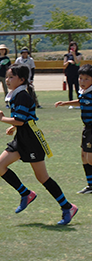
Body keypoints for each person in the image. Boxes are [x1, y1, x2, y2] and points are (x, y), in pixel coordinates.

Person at [0, 65, 78, 225]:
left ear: (22, 79)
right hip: (21, 138)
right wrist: (14, 126)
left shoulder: (22, 96)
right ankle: (26, 194)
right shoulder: (16, 95)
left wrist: (3, 119)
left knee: (42, 177)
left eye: (11, 77)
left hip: (32, 140)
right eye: (7, 77)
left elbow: (21, 119)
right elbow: (25, 117)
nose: (7, 80)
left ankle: (68, 207)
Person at [55, 64, 92, 194]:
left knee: (90, 158)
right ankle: (90, 185)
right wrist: (66, 103)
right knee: (83, 156)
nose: (82, 81)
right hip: (87, 128)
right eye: (80, 78)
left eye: (86, 79)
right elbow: (81, 102)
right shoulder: (84, 92)